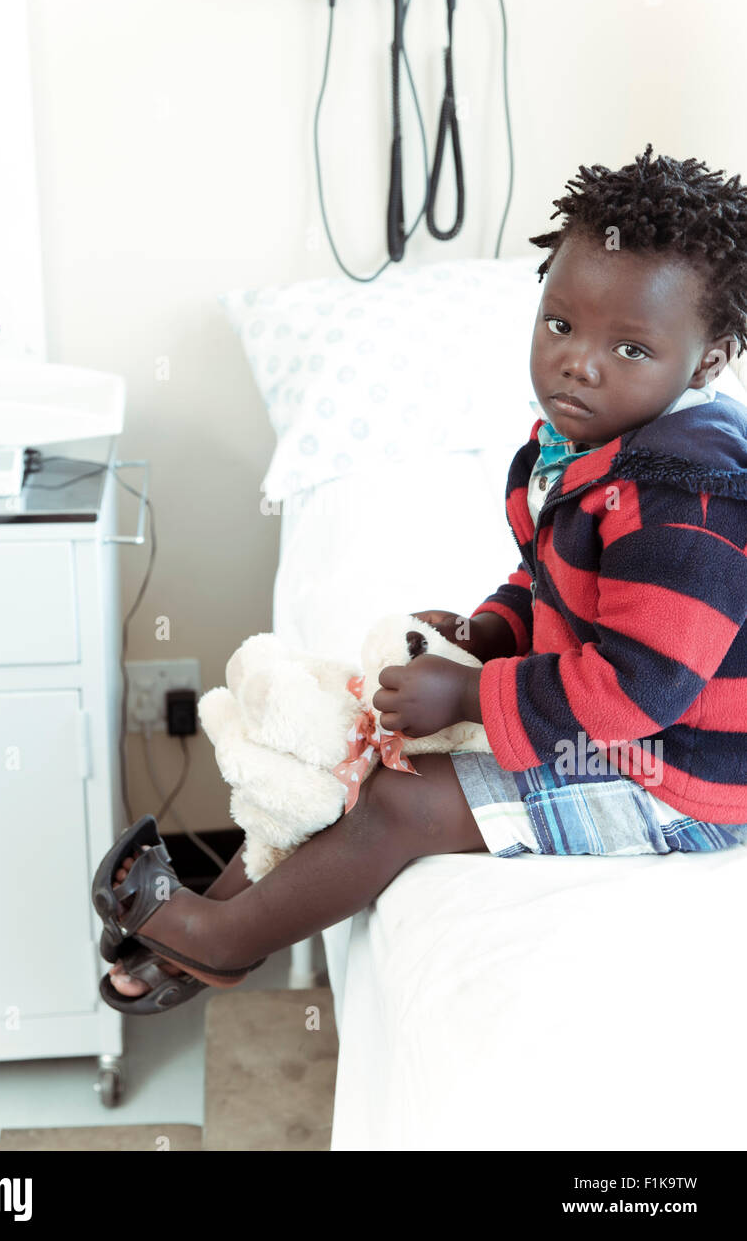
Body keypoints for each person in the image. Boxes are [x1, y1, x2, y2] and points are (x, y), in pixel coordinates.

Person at [103, 143, 747, 1007]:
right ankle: (217, 924)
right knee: (362, 748)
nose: (578, 363)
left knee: (408, 804)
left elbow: (639, 691)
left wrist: (474, 697)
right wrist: (490, 630)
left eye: (630, 348)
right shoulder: (581, 447)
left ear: (706, 362)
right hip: (612, 724)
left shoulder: (685, 504)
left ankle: (221, 941)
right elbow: (554, 586)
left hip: (681, 775)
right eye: (560, 325)